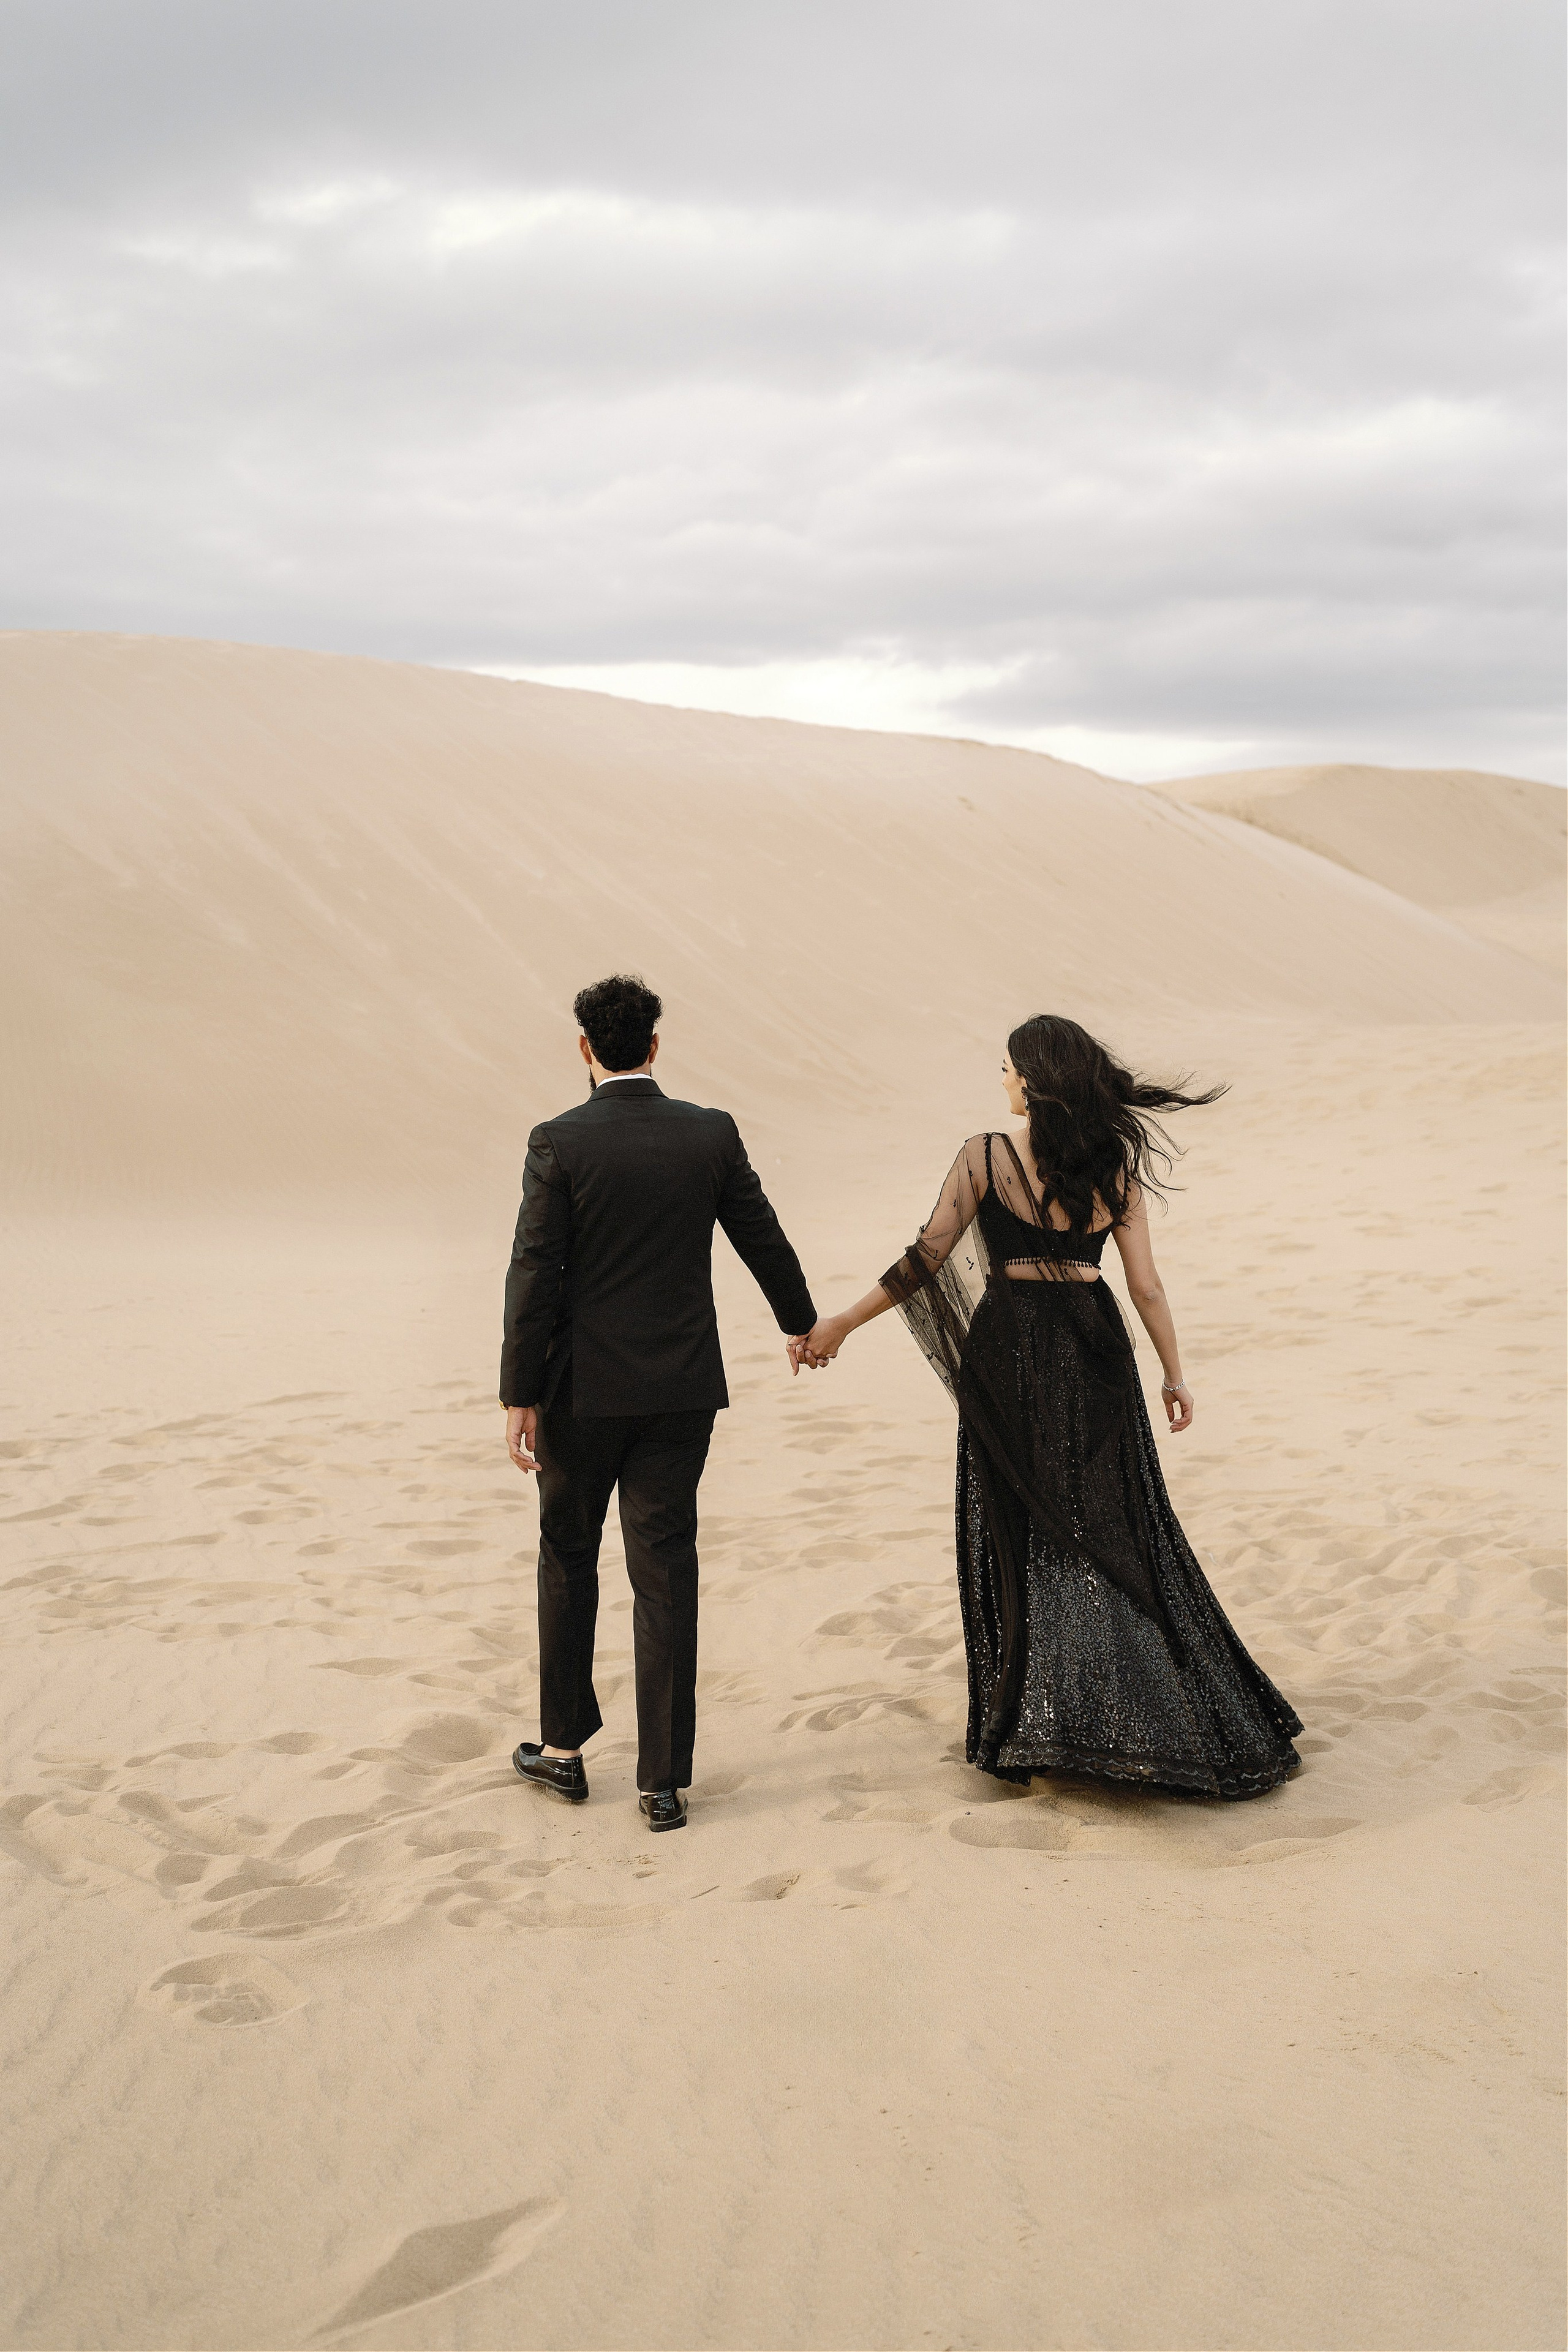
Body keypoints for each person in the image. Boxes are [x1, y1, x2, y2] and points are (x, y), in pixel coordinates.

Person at [793, 1015, 1302, 1799]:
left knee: (1019, 1525)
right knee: (1113, 1523)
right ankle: (1142, 1704)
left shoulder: (986, 1155)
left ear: (1030, 1080)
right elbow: (1145, 1286)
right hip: (1094, 1347)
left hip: (1011, 1352)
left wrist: (839, 1325)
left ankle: (1035, 1719)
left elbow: (926, 1258)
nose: (1000, 1081)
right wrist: (1174, 1373)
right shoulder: (1115, 1166)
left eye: (1004, 1068)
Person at [501, 974, 816, 1831]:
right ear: (653, 1045)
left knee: (568, 1552)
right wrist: (800, 1322)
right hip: (680, 1388)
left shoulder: (558, 1142)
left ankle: (563, 1754)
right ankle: (662, 1783)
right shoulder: (708, 1134)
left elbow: (535, 1272)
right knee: (665, 1567)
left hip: (580, 1393)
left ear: (585, 1049)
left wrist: (519, 1393)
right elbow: (762, 1234)